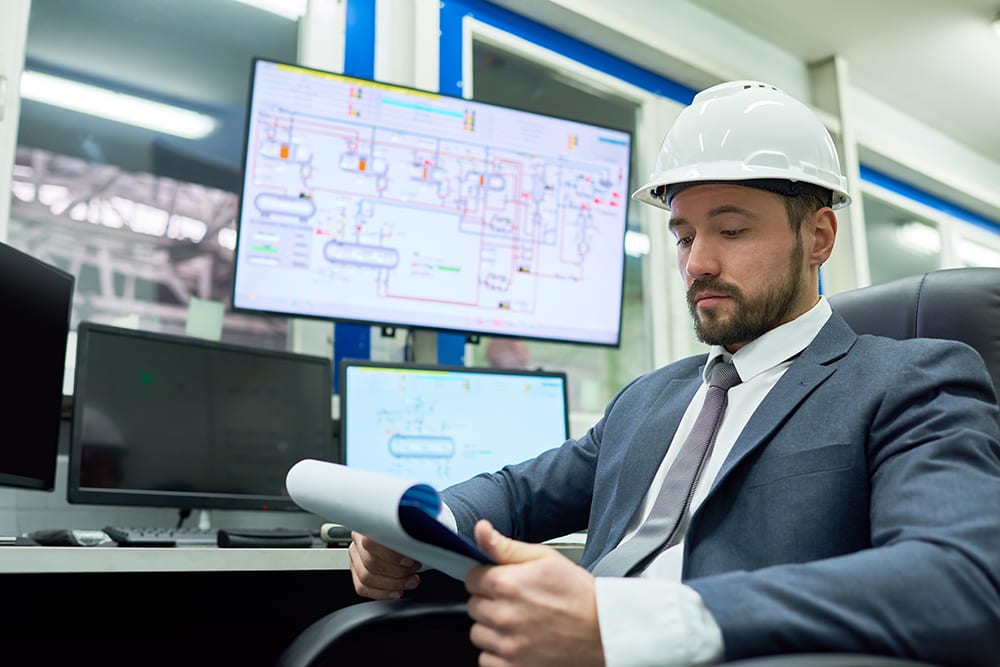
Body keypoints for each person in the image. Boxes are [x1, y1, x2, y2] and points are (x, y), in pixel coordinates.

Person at [348, 81, 1000, 666]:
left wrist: (625, 624)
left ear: (820, 237)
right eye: (684, 235)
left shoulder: (909, 380)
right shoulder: (649, 399)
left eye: (733, 230)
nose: (697, 264)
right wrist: (419, 526)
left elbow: (960, 580)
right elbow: (514, 494)